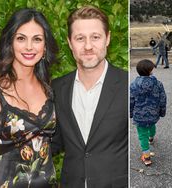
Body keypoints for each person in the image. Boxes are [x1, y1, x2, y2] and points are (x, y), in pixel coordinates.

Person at [51, 5, 128, 188]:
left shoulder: (126, 83)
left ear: (107, 38)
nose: (87, 46)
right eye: (80, 38)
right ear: (70, 43)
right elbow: (53, 142)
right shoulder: (57, 88)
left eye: (95, 37)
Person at [0, 8, 59, 187]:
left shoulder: (49, 88)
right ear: (10, 43)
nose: (29, 46)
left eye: (37, 39)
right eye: (21, 38)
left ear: (45, 47)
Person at [130, 59, 167, 166]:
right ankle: (151, 137)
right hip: (153, 113)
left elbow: (131, 100)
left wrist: (130, 113)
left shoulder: (133, 85)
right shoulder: (158, 84)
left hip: (139, 115)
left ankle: (146, 157)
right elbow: (163, 99)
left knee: (142, 135)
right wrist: (162, 111)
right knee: (151, 126)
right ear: (150, 71)